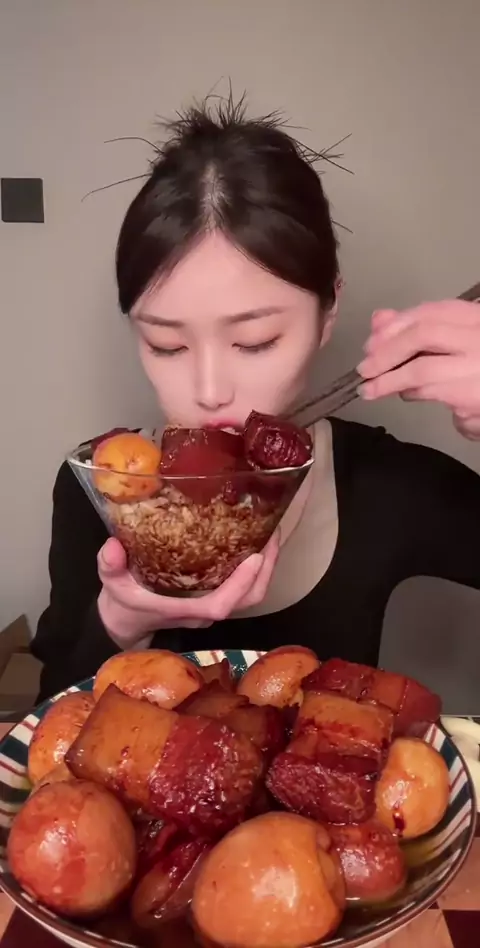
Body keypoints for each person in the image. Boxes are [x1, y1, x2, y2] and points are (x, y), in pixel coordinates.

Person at [32, 99, 480, 701]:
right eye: (166, 345)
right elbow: (45, 722)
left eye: (256, 341)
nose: (210, 391)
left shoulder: (388, 485)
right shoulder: (102, 492)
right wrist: (120, 622)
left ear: (328, 314)